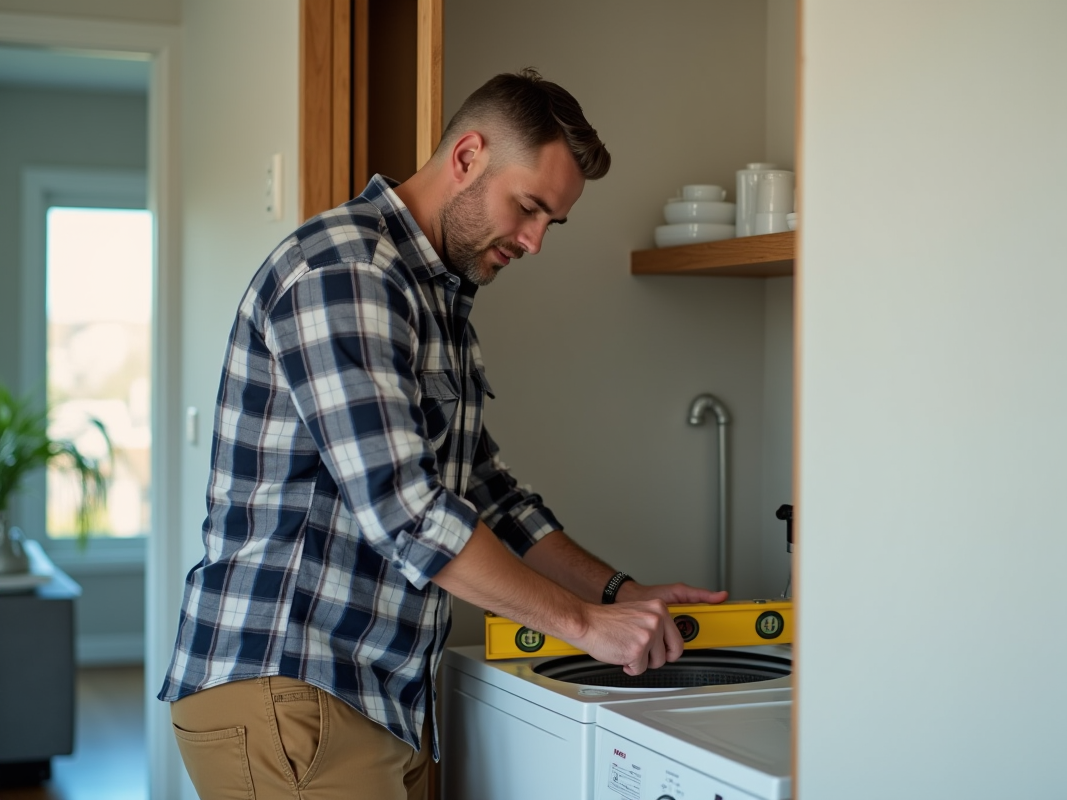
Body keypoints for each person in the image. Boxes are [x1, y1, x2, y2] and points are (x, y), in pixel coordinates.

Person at [158, 68, 727, 799]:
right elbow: (409, 512)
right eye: (528, 208)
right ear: (466, 156)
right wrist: (586, 625)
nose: (534, 242)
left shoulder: (432, 297)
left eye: (550, 223)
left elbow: (489, 496)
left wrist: (618, 592)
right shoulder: (347, 271)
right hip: (291, 683)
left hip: (373, 697)